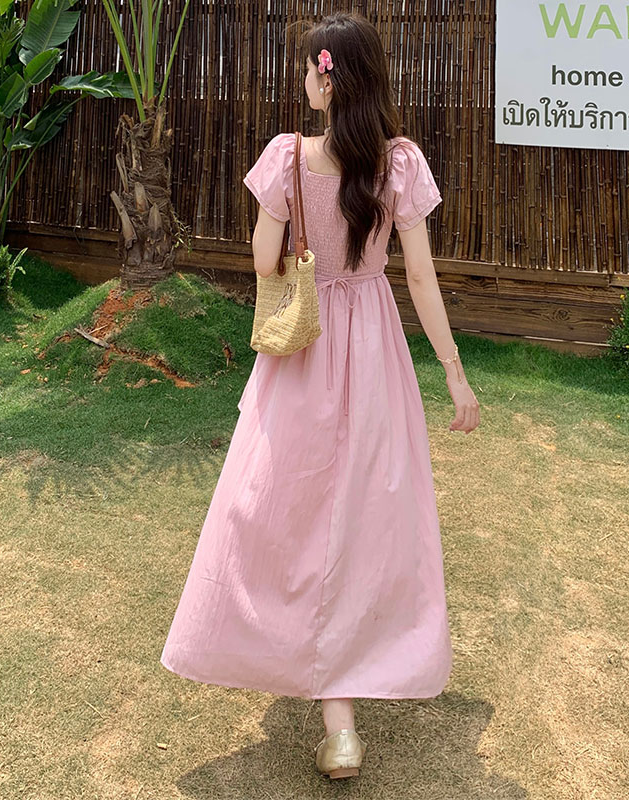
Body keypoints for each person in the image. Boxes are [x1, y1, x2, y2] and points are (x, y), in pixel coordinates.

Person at [160, 10, 480, 780]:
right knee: (366, 513)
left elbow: (263, 259)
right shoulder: (400, 162)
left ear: (329, 78)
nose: (303, 77)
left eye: (310, 66)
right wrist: (453, 369)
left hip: (303, 348)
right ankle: (345, 709)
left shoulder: (286, 156)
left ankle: (306, 681)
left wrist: (295, 243)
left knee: (276, 503)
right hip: (373, 347)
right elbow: (421, 278)